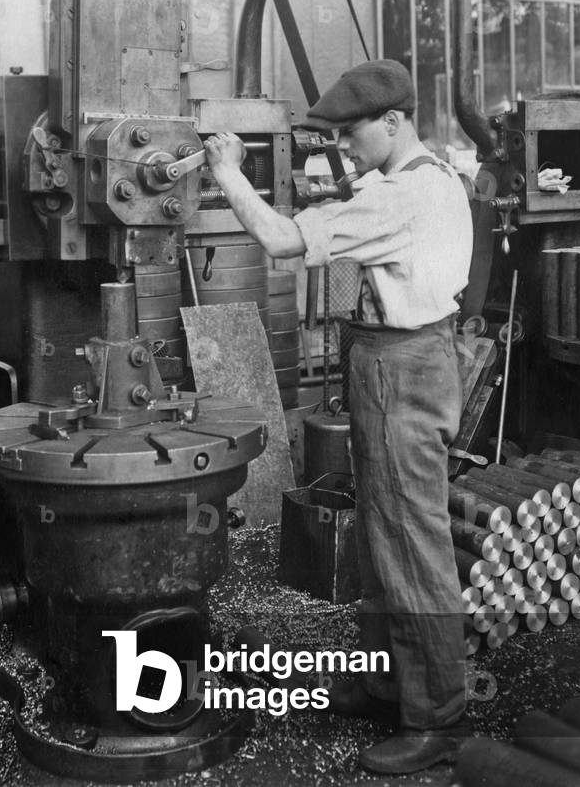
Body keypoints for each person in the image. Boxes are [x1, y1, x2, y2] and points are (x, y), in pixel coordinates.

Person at [204, 59, 474, 775]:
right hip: (397, 357)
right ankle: (387, 679)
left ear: (393, 121)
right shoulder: (424, 178)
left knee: (411, 543)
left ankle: (437, 715)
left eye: (352, 132)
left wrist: (229, 172)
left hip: (398, 365)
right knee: (383, 536)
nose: (345, 146)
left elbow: (283, 240)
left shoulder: (402, 196)